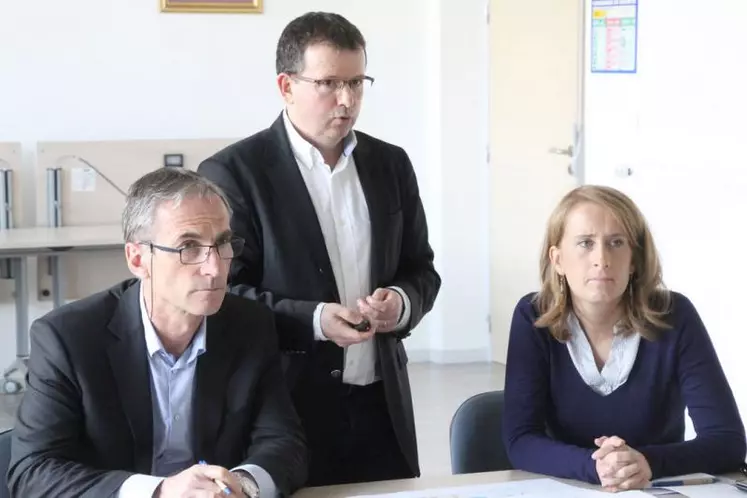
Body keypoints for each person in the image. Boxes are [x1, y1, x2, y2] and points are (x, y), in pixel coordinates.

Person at [198, 11, 441, 486]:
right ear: (286, 86)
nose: (346, 100)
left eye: (357, 82)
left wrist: (402, 303)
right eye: (328, 83)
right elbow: (221, 295)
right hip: (287, 407)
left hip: (382, 401)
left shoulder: (390, 164)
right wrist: (313, 321)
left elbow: (422, 269)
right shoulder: (235, 173)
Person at [8, 168, 307, 498]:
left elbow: (283, 443)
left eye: (222, 243)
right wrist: (160, 491)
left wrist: (241, 485)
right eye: (188, 246)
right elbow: (32, 471)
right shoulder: (67, 338)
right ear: (138, 259)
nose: (215, 267)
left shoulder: (250, 325)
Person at [502, 185, 746, 491]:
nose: (601, 259)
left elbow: (728, 441)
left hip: (654, 489)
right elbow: (519, 442)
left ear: (634, 259)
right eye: (585, 243)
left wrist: (646, 462)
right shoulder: (533, 316)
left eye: (616, 243)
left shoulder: (674, 315)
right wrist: (598, 467)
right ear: (558, 259)